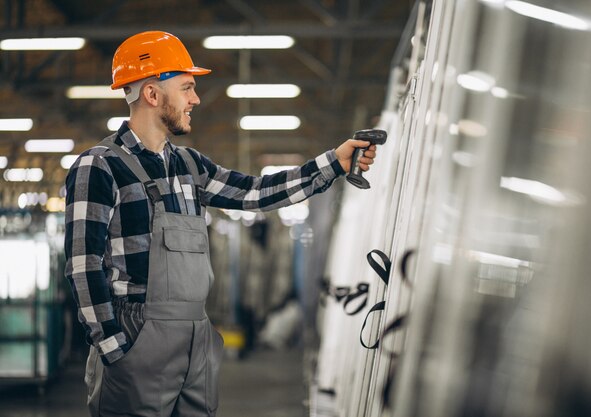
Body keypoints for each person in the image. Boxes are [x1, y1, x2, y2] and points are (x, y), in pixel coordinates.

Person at [64, 30, 378, 417]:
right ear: (151, 94)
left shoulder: (190, 166)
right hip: (136, 336)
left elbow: (255, 192)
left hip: (196, 336)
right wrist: (113, 346)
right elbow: (83, 266)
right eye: (187, 87)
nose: (195, 99)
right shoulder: (99, 166)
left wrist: (334, 163)